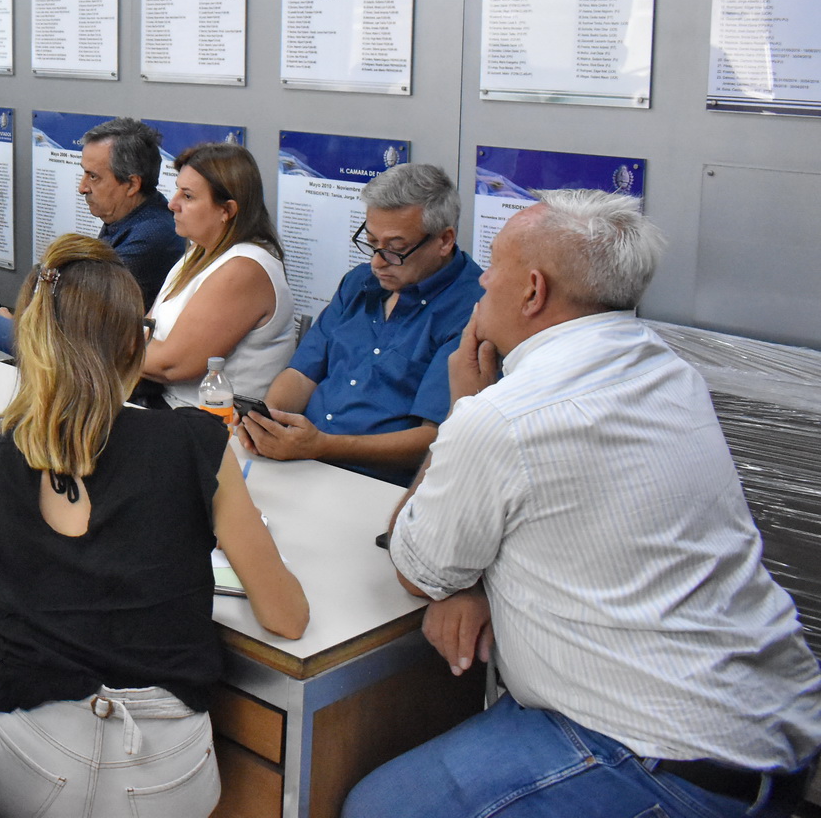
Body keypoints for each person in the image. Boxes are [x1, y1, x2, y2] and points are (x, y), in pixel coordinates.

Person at [347, 191, 821, 818]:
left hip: (654, 756)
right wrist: (476, 583)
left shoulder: (504, 416)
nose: (482, 280)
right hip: (774, 730)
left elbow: (419, 569)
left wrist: (461, 410)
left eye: (494, 264)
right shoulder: (669, 373)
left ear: (533, 290)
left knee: (378, 807)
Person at [0, 234, 307, 818]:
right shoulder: (194, 443)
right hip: (167, 778)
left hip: (22, 768)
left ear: (32, 343)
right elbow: (288, 618)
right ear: (135, 345)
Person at [241, 163, 483, 484]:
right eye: (371, 242)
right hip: (303, 459)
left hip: (380, 482)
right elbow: (301, 374)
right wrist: (268, 422)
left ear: (445, 240)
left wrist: (322, 446)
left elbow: (437, 437)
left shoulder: (472, 310)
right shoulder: (360, 282)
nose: (377, 262)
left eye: (395, 249)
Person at [0, 116, 183, 354]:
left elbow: (79, 310)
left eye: (93, 176)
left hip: (80, 351)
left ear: (132, 185)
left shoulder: (151, 235)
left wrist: (21, 322)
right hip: (70, 336)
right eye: (84, 174)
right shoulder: (129, 215)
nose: (82, 187)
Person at [141, 142, 296, 407]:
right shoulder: (198, 252)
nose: (172, 204)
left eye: (188, 196)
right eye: (177, 190)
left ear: (227, 210)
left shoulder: (245, 269)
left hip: (214, 422)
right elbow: (146, 331)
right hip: (169, 405)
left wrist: (102, 348)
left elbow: (171, 365)